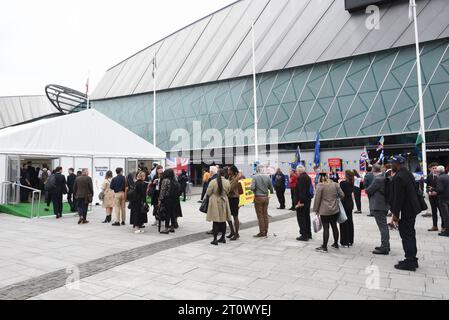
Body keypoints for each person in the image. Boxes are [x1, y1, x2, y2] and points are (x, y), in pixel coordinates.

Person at [390, 156, 422, 271]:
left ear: (397, 164)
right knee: (411, 234)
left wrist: (395, 215)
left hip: (405, 211)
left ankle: (409, 262)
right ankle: (412, 259)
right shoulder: (408, 174)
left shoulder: (399, 177)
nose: (391, 165)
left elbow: (398, 198)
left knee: (406, 236)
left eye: (393, 163)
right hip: (412, 209)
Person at [313, 170, 345, 253]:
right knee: (334, 226)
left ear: (320, 178)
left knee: (326, 228)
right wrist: (335, 199)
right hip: (335, 210)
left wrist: (316, 210)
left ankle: (324, 246)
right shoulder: (335, 184)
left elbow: (317, 199)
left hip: (324, 210)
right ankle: (335, 244)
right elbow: (342, 195)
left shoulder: (320, 185)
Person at [366, 164, 390, 255]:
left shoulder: (378, 179)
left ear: (373, 169)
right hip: (383, 205)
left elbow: (369, 190)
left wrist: (368, 189)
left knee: (383, 227)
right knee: (383, 226)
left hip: (378, 205)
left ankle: (384, 247)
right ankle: (386, 245)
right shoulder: (383, 177)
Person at [206, 169, 231, 245]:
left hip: (215, 201)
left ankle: (215, 239)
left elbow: (208, 192)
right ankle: (223, 238)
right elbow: (228, 191)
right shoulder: (227, 182)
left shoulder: (213, 182)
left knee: (215, 221)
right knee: (223, 220)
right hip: (224, 201)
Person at [250, 165, 274, 238]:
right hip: (266, 197)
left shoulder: (255, 177)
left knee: (260, 215)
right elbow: (271, 189)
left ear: (257, 170)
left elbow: (252, 187)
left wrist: (254, 190)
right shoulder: (267, 177)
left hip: (258, 197)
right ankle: (266, 230)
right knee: (265, 214)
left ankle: (262, 231)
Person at [159, 169, 181, 234]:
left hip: (167, 199)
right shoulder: (175, 180)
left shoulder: (165, 180)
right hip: (174, 199)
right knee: (172, 213)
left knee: (167, 213)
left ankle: (166, 229)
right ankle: (172, 227)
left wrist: (160, 199)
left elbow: (163, 191)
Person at [295, 166, 313, 241]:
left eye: (296, 171)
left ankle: (304, 235)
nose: (296, 172)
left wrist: (300, 201)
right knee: (306, 217)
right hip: (308, 200)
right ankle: (308, 234)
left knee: (301, 217)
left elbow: (302, 191)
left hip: (303, 201)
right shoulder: (307, 177)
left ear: (299, 171)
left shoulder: (301, 178)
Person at [339, 170, 355, 248]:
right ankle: (350, 240)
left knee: (343, 222)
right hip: (350, 203)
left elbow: (340, 193)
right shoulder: (352, 183)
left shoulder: (343, 183)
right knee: (350, 222)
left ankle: (344, 241)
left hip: (344, 203)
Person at [227, 165, 241, 241]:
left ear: (232, 171)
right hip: (229, 198)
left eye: (229, 170)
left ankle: (236, 233)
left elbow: (230, 188)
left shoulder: (236, 178)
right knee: (228, 216)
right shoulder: (230, 177)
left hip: (234, 199)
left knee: (235, 216)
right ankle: (232, 231)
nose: (228, 171)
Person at [427, 163, 441, 232]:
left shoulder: (440, 176)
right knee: (434, 212)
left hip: (439, 197)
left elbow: (442, 188)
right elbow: (427, 186)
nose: (435, 169)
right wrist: (428, 191)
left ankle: (444, 226)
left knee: (442, 212)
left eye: (436, 168)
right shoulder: (429, 176)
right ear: (431, 169)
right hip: (431, 197)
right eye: (433, 168)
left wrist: (436, 191)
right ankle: (435, 226)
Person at [436, 165, 449, 237]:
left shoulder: (439, 178)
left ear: (438, 171)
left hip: (443, 199)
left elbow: (440, 189)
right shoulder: (447, 176)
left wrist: (434, 190)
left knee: (445, 216)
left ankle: (447, 232)